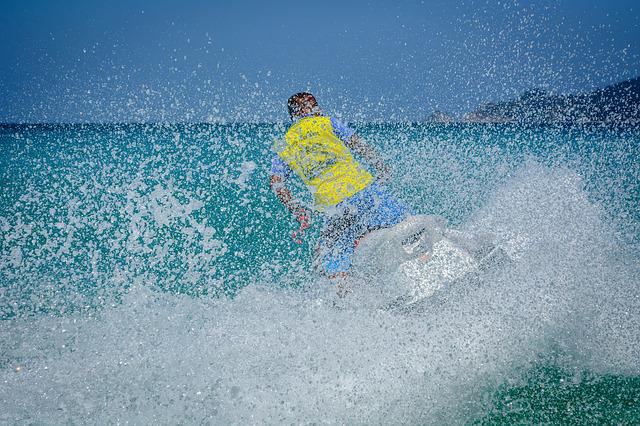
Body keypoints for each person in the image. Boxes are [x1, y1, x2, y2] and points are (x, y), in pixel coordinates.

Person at [269, 92, 411, 284]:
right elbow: (359, 145)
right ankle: (429, 256)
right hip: (366, 191)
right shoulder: (328, 123)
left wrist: (297, 210)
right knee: (407, 222)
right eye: (315, 105)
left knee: (327, 258)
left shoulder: (285, 143)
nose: (319, 109)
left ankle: (345, 301)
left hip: (336, 207)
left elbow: (277, 183)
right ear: (308, 110)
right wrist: (381, 168)